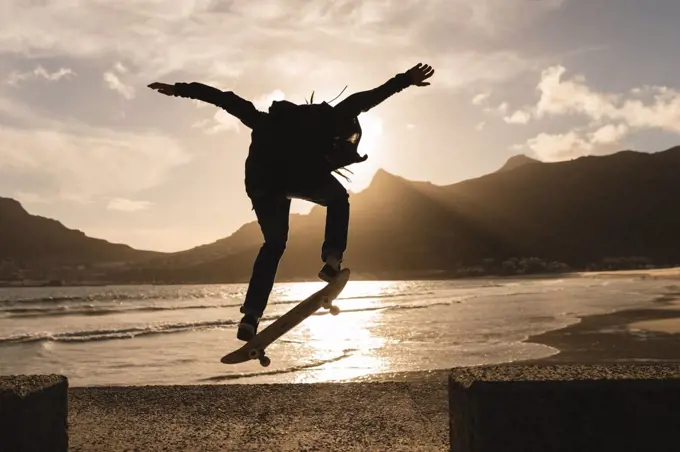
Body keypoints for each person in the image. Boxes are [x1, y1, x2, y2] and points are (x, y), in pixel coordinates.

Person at [148, 62, 434, 341]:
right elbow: (367, 99)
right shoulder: (332, 118)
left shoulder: (264, 120)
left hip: (262, 186)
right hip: (301, 178)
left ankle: (250, 317)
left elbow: (225, 99)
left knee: (273, 246)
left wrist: (178, 89)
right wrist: (406, 79)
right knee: (338, 200)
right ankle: (332, 260)